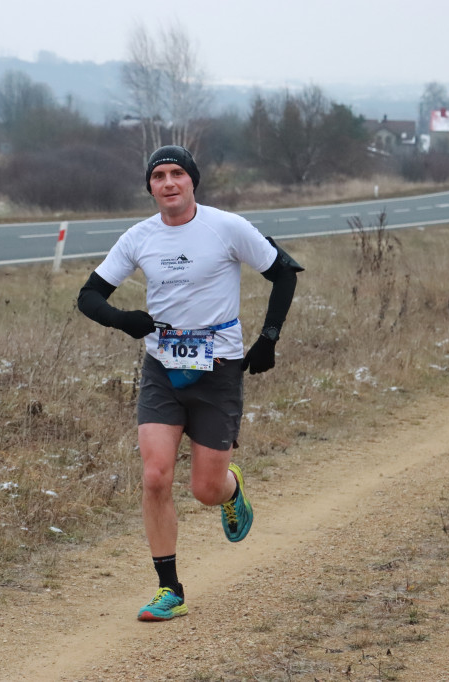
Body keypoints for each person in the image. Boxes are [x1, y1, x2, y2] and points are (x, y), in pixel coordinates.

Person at [76, 145, 303, 621]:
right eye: (159, 176)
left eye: (177, 173)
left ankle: (230, 488)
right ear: (151, 187)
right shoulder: (139, 237)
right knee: (155, 475)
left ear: (192, 180)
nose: (169, 182)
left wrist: (269, 339)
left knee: (204, 489)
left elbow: (284, 274)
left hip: (219, 369)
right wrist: (125, 320)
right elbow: (89, 295)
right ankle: (169, 589)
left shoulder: (227, 227)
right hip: (162, 369)